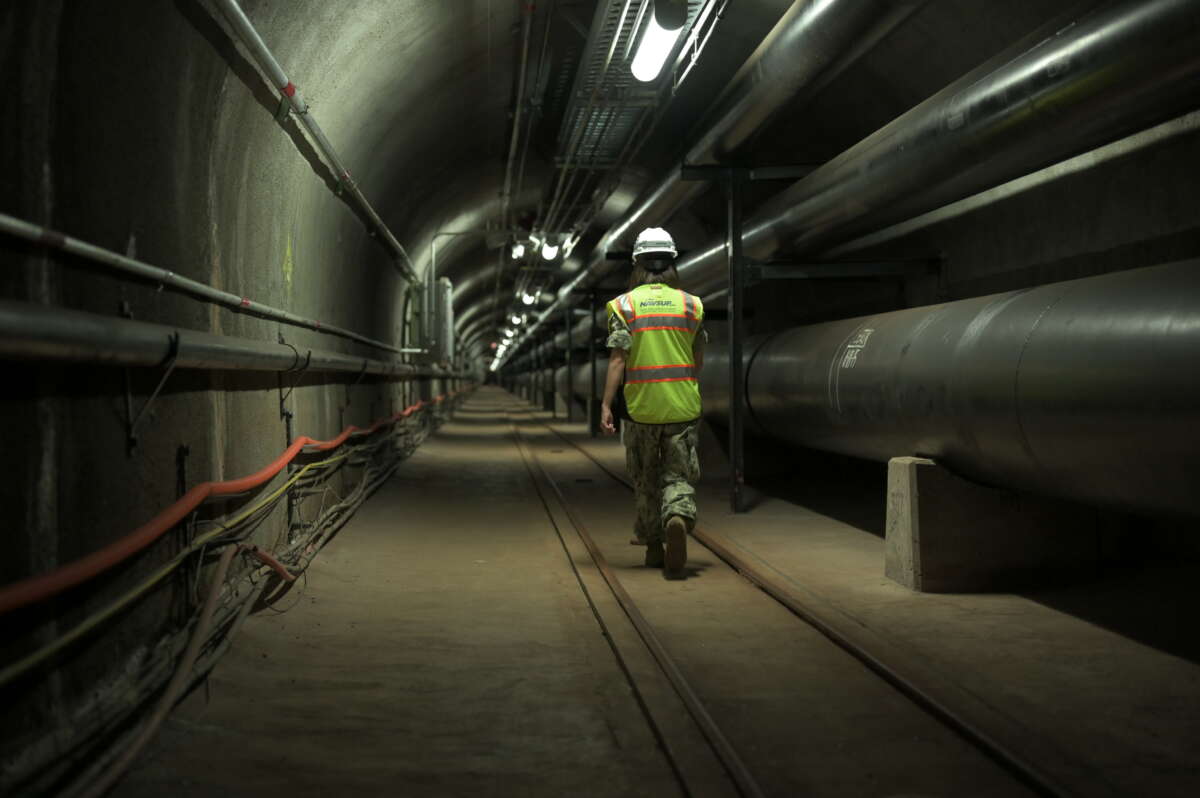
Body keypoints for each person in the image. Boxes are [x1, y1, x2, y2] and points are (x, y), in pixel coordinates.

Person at [600, 227, 704, 580]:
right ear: (672, 262)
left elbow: (618, 359)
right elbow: (697, 358)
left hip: (642, 409)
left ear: (637, 264)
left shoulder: (623, 305)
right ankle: (676, 516)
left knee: (645, 478)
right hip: (681, 406)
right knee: (678, 474)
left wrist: (606, 405)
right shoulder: (692, 304)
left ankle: (653, 547)